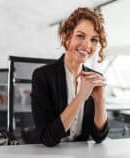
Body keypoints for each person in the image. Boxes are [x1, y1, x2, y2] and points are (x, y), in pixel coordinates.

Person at [31, 7, 109, 147]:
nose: (87, 45)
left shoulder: (94, 78)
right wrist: (80, 97)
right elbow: (48, 138)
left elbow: (99, 136)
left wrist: (100, 100)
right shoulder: (42, 77)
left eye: (94, 40)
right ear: (66, 37)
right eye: (80, 36)